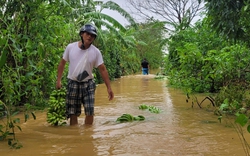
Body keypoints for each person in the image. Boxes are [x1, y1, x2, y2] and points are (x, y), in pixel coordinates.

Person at [56, 24, 114, 126]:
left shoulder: (95, 52)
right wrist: (58, 80)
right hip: (73, 83)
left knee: (90, 111)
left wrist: (109, 87)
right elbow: (62, 63)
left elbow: (103, 70)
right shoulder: (71, 47)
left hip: (88, 84)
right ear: (82, 34)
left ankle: (88, 135)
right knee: (72, 112)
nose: (90, 36)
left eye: (92, 35)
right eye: (88, 34)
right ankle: (75, 136)